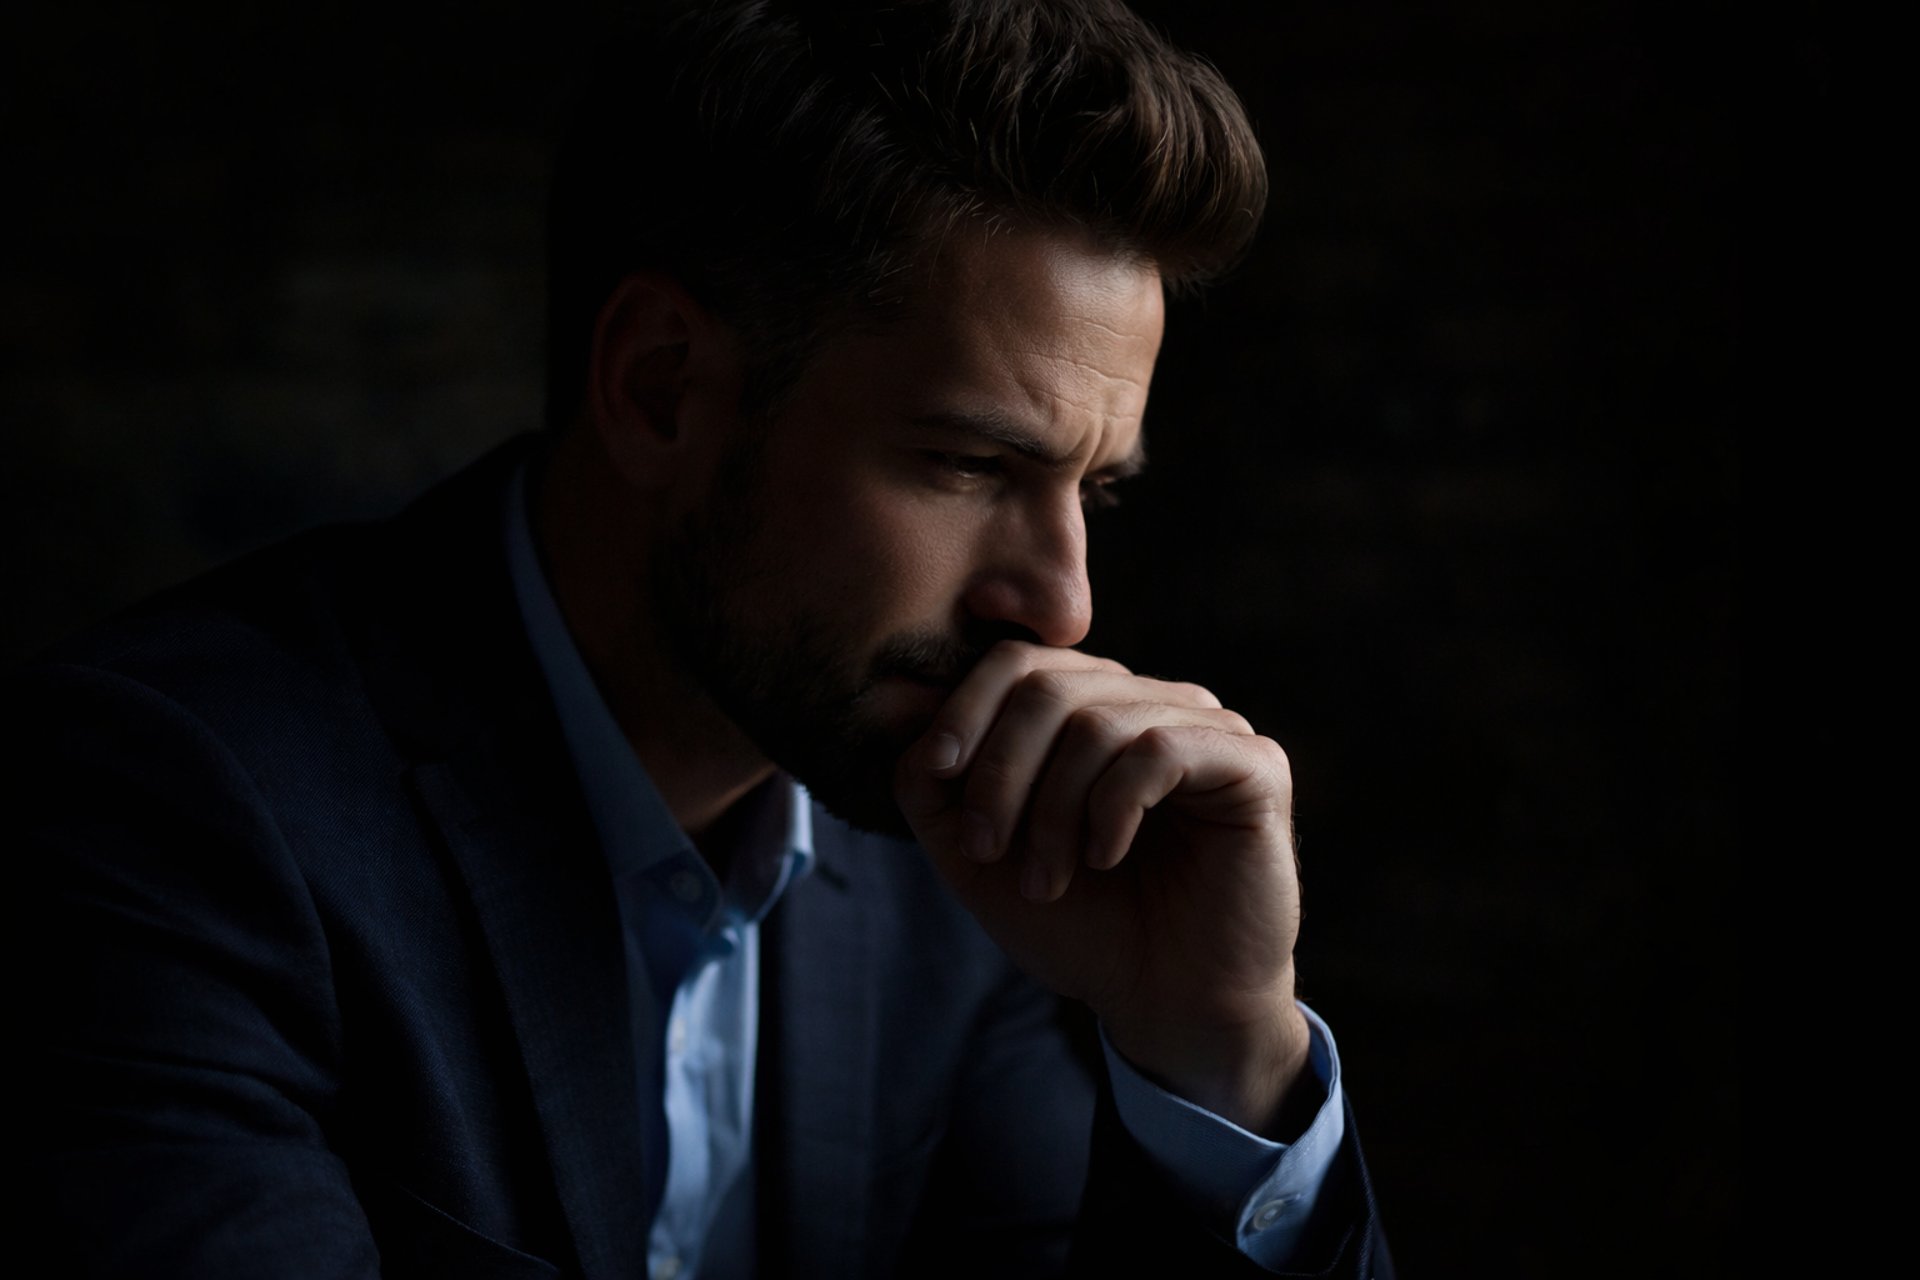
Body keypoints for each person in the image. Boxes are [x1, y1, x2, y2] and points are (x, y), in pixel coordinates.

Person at [23, 1, 1392, 1276]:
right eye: (968, 464)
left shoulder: (965, 862)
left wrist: (1220, 1054)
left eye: (1089, 491)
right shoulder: (165, 806)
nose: (1062, 607)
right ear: (661, 390)